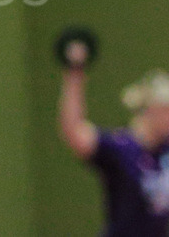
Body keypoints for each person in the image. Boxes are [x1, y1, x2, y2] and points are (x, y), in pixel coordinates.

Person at [59, 50, 169, 237]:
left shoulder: (165, 150)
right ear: (150, 111)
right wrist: (75, 74)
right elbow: (74, 131)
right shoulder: (122, 148)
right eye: (166, 111)